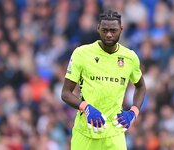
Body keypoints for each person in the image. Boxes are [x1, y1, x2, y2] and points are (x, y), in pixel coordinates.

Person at [61, 10, 146, 150]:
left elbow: (141, 86)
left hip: (114, 134)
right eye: (105, 30)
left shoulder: (130, 57)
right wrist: (86, 107)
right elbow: (65, 93)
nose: (108, 34)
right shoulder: (82, 53)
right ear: (98, 28)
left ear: (121, 30)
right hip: (85, 133)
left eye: (113, 30)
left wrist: (133, 113)